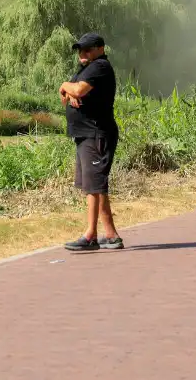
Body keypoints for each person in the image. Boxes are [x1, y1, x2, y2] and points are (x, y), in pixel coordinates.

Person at [60, 33, 123, 251]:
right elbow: (69, 95)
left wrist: (66, 86)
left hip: (96, 133)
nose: (82, 54)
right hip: (86, 134)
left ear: (100, 48)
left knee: (94, 187)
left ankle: (90, 236)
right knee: (95, 185)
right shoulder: (86, 69)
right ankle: (111, 235)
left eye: (87, 50)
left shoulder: (100, 66)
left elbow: (76, 90)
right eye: (79, 50)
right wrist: (69, 90)